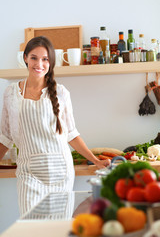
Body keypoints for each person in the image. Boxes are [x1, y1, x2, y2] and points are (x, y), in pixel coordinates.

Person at [0, 36, 110, 216]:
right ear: (25, 58)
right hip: (29, 173)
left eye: (45, 59)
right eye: (34, 58)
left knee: (58, 228)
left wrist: (96, 160)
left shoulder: (61, 93)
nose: (39, 64)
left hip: (60, 172)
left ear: (50, 63)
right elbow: (5, 137)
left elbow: (71, 134)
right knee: (31, 229)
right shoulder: (11, 93)